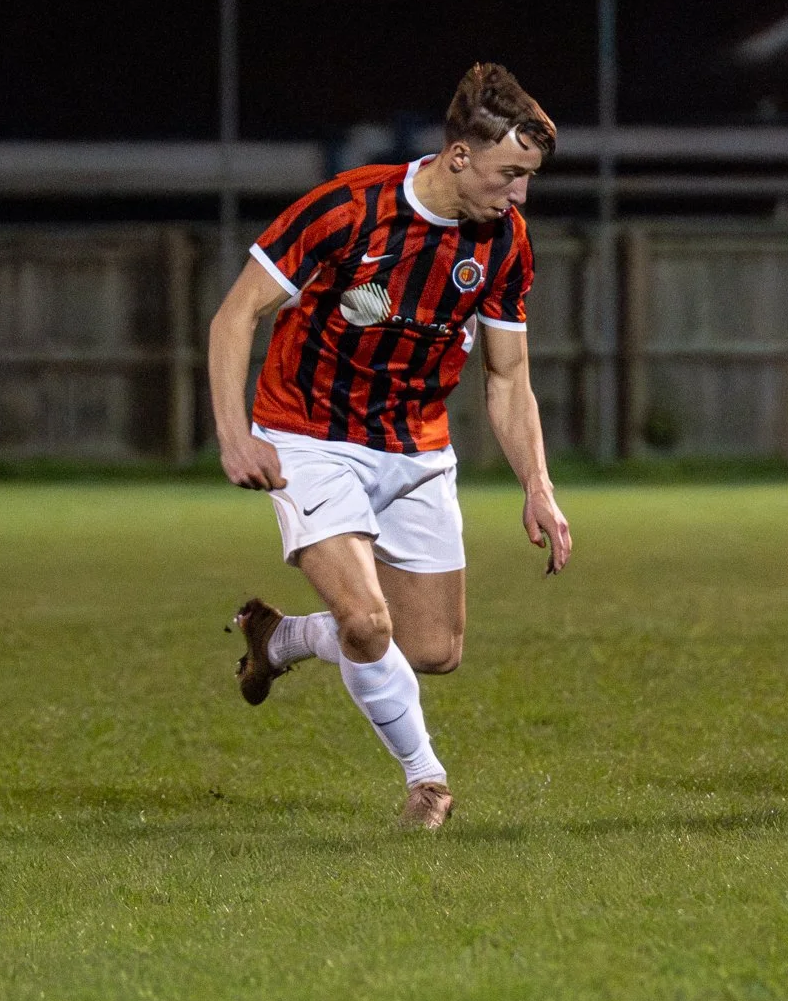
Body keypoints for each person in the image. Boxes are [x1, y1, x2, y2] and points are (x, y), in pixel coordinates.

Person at [206, 63, 573, 832]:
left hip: (415, 448)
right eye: (510, 174)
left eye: (529, 178)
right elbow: (236, 313)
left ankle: (283, 637)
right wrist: (235, 434)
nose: (519, 195)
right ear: (460, 155)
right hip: (309, 437)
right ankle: (427, 780)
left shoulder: (504, 243)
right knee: (369, 625)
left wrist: (537, 483)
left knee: (432, 649)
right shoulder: (349, 210)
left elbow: (507, 380)